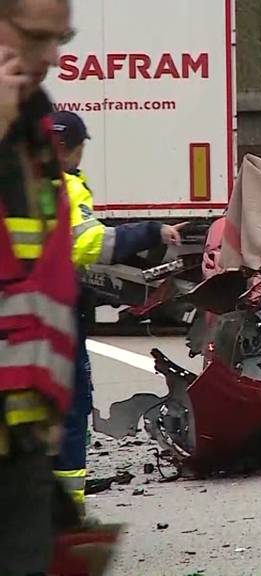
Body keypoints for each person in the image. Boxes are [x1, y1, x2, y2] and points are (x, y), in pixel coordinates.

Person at [49, 109, 184, 517]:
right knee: (71, 408)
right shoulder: (61, 187)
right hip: (52, 319)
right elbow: (91, 244)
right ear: (68, 147)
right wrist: (149, 232)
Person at [0, 0, 78, 573]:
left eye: (62, 39)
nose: (52, 57)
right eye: (35, 37)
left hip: (21, 448)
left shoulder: (34, 132)